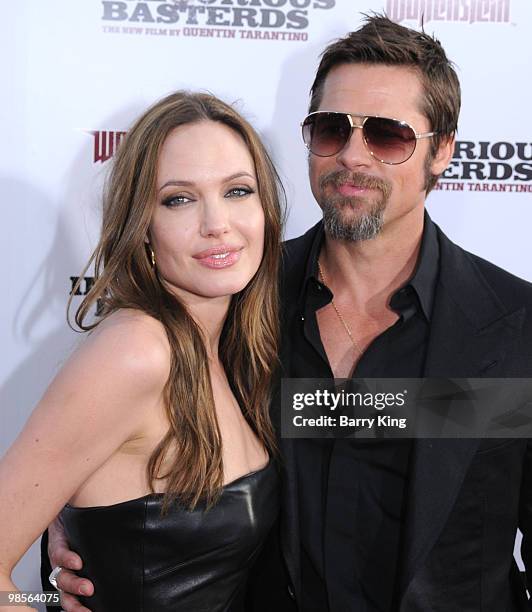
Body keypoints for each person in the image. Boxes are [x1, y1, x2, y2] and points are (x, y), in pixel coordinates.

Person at [47, 14, 532, 612]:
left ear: (442, 153)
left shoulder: (516, 326)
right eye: (332, 129)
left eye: (387, 135)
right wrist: (86, 532)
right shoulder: (232, 303)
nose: (352, 155)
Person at [0, 91, 285, 612]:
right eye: (179, 199)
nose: (217, 222)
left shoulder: (229, 347)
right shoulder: (138, 350)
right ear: (143, 227)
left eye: (238, 191)